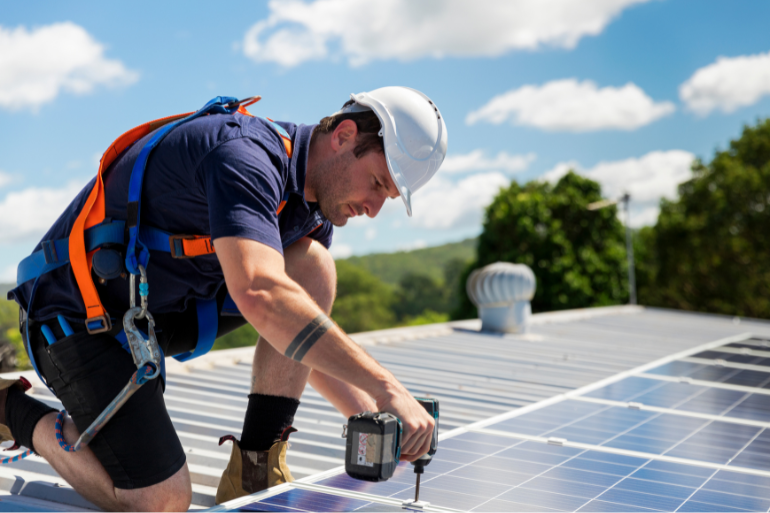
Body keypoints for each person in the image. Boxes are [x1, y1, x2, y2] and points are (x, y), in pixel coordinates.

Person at [5, 86, 447, 511]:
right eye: (376, 182)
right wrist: (387, 387)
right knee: (160, 502)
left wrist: (370, 416)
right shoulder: (243, 156)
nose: (373, 207)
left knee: (311, 265)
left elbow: (296, 333)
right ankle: (10, 409)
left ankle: (256, 466)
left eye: (386, 197)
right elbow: (260, 295)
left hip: (148, 318)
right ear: (344, 135)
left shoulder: (310, 209)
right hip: (74, 320)